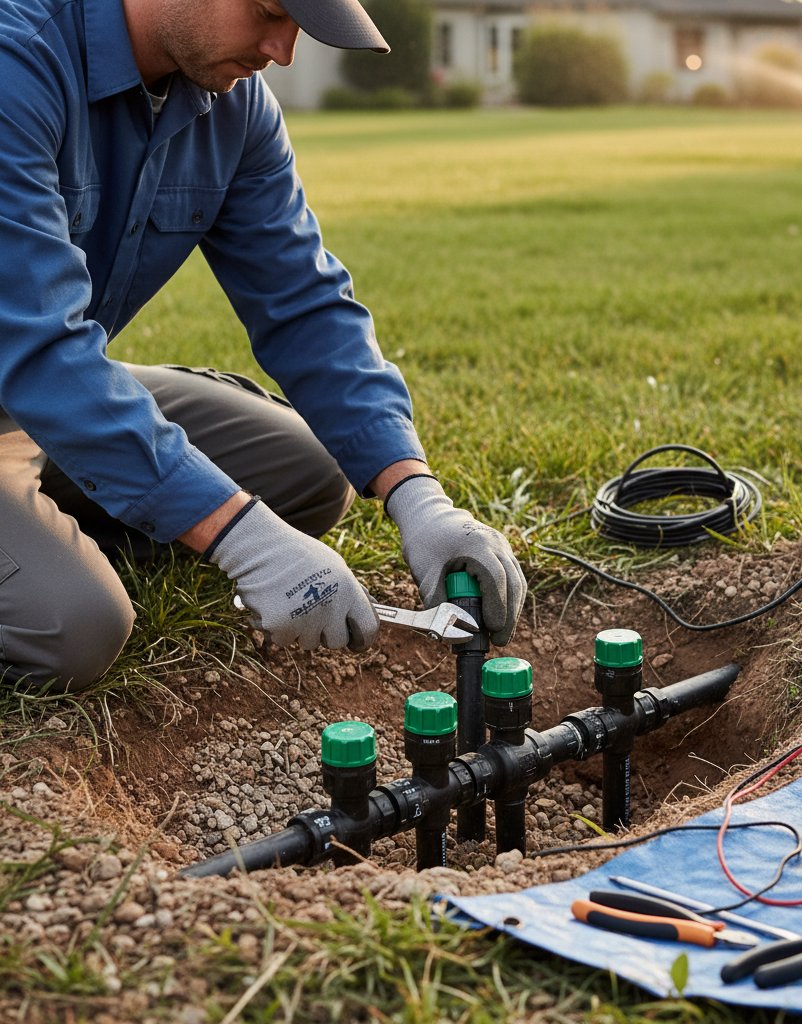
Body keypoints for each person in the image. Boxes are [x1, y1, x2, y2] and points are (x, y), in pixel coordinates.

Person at [0, 0, 527, 693]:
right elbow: (37, 346)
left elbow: (303, 303)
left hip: (47, 390)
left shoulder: (235, 107)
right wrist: (236, 535)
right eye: (269, 12)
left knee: (313, 474)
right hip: (35, 365)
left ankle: (51, 521)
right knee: (78, 627)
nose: (283, 50)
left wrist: (416, 494)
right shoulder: (18, 62)